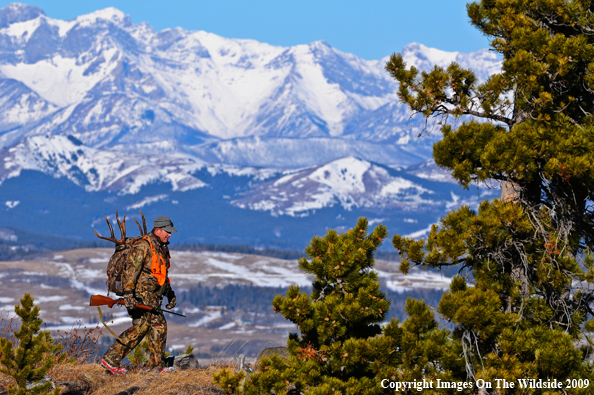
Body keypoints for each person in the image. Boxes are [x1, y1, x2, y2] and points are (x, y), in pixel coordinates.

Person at [100, 216, 178, 375]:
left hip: (153, 296)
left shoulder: (161, 247)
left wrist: (170, 294)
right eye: (167, 231)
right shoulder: (142, 246)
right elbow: (130, 272)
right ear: (158, 230)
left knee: (152, 327)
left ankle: (155, 367)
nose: (170, 235)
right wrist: (128, 295)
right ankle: (111, 359)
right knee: (149, 326)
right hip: (139, 296)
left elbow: (161, 274)